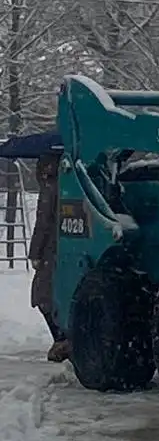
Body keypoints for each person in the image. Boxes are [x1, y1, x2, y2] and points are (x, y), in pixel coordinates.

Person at [29, 152, 69, 362]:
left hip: (50, 251)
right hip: (68, 247)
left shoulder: (49, 189)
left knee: (42, 295)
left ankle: (61, 339)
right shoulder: (70, 183)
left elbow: (43, 223)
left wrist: (35, 253)